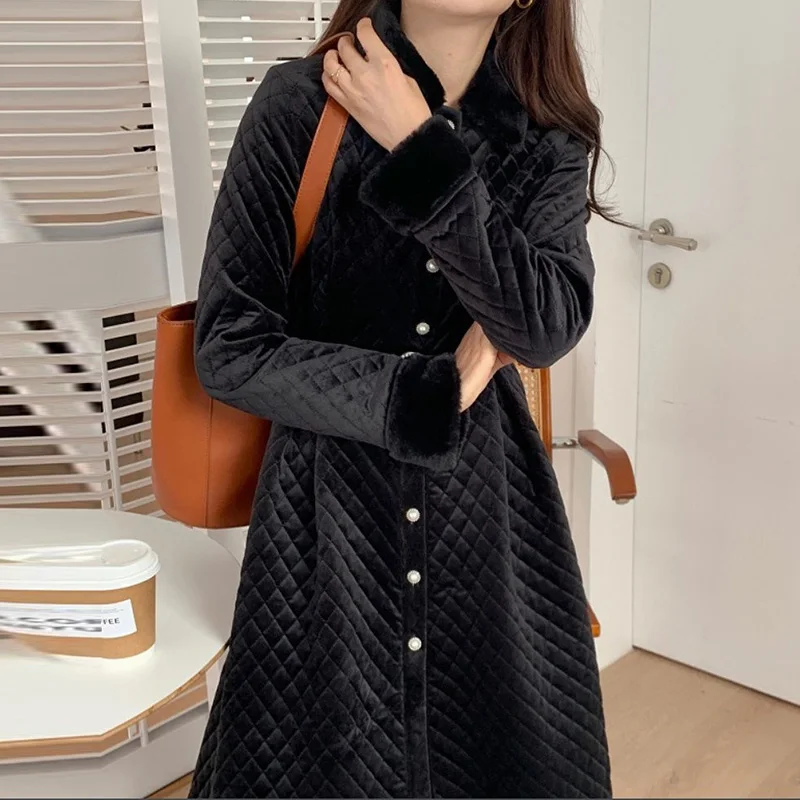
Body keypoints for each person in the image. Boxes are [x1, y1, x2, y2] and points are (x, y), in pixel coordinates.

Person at [190, 0, 612, 796]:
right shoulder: (298, 105)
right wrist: (429, 392)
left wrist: (420, 147)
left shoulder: (548, 135)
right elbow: (230, 348)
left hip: (490, 521)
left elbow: (544, 326)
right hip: (322, 519)